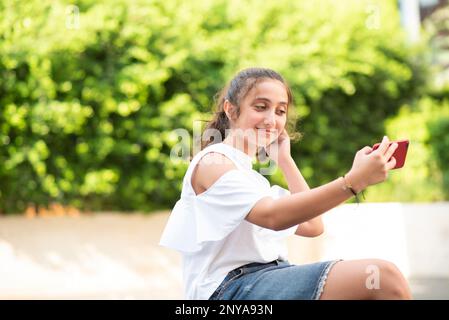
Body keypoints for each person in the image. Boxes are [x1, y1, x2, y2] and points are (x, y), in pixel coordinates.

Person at [159, 67, 412, 300]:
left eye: (280, 111)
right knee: (382, 278)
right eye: (261, 107)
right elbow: (272, 216)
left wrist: (285, 160)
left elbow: (313, 225)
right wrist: (353, 181)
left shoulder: (253, 179)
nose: (272, 120)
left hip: (267, 278)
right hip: (231, 290)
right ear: (231, 109)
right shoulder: (214, 162)